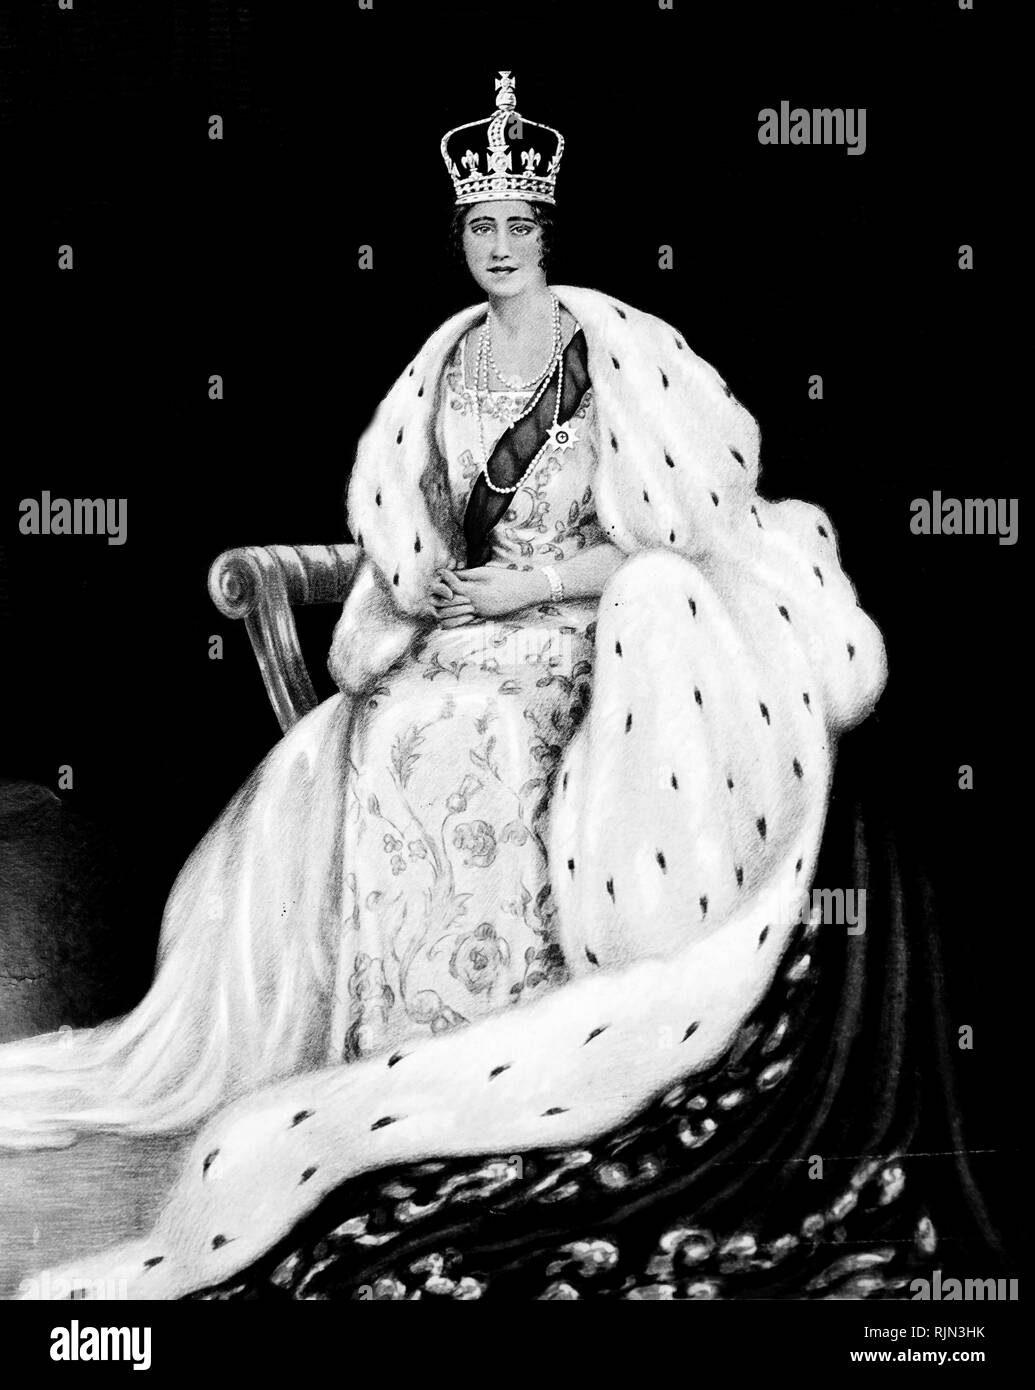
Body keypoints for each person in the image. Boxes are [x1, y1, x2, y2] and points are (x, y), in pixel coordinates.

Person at [0, 72, 890, 1299]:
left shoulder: (605, 354)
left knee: (471, 730)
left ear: (544, 234)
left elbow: (660, 540)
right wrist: (428, 591)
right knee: (383, 726)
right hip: (455, 630)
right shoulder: (441, 364)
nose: (500, 248)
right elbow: (412, 533)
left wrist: (532, 594)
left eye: (517, 229)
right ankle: (398, 1032)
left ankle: (505, 1024)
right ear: (465, 236)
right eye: (482, 230)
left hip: (575, 626)